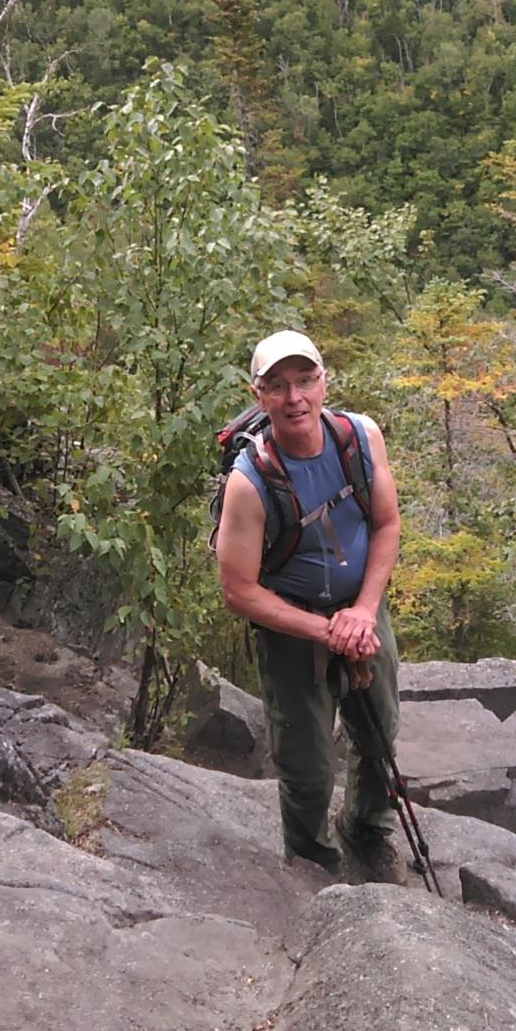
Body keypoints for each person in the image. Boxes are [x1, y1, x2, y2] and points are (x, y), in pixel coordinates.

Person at [214, 329, 405, 883]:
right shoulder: (250, 484)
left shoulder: (361, 438)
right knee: (308, 764)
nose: (294, 397)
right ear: (259, 395)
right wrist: (327, 633)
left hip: (359, 608)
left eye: (305, 381)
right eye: (278, 386)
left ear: (324, 382)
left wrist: (364, 613)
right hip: (293, 624)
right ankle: (310, 863)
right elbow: (239, 590)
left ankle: (366, 830)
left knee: (381, 733)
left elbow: (387, 524)